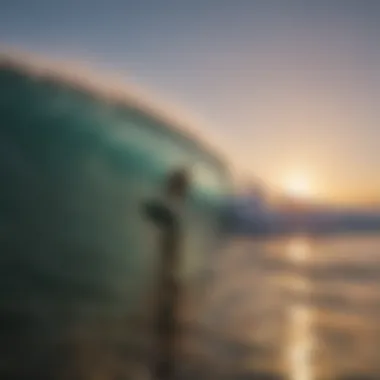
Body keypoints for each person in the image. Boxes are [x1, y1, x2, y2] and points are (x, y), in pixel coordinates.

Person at [143, 168, 190, 380]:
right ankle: (164, 367)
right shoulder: (175, 208)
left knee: (164, 325)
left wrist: (151, 209)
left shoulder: (173, 208)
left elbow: (155, 212)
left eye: (174, 183)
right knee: (166, 327)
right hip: (171, 273)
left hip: (169, 274)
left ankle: (163, 369)